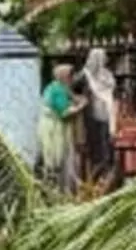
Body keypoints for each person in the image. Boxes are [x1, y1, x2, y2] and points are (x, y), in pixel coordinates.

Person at [39, 64, 83, 191]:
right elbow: (64, 113)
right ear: (64, 77)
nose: (72, 79)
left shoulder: (56, 87)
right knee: (56, 160)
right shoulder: (57, 90)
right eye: (70, 76)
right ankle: (57, 189)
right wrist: (80, 107)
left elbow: (71, 97)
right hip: (54, 130)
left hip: (50, 127)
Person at [80, 48, 117, 178]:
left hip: (107, 111)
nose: (106, 59)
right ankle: (96, 174)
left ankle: (107, 172)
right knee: (95, 144)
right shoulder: (86, 75)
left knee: (107, 142)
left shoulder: (107, 74)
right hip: (91, 114)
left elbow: (109, 92)